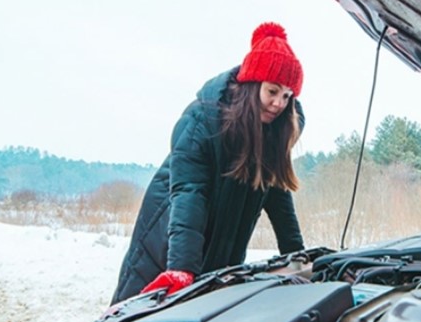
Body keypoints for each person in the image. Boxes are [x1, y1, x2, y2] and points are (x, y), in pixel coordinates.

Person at [111, 22, 306, 304]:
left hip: (225, 239)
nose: (279, 104)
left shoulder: (273, 132)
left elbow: (277, 196)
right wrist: (180, 267)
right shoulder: (204, 121)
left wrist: (296, 254)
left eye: (287, 96)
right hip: (169, 239)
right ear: (253, 85)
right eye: (272, 91)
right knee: (138, 321)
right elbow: (190, 193)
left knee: (203, 315)